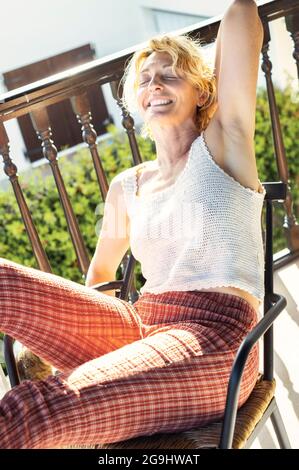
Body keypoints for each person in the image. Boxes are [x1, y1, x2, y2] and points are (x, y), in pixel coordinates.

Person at [0, 0, 265, 448]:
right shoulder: (128, 186)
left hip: (218, 342)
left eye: (170, 74)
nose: (154, 85)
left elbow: (242, 15)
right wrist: (57, 331)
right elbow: (100, 277)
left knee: (28, 412)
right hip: (139, 325)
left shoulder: (223, 145)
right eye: (144, 79)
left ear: (203, 91)